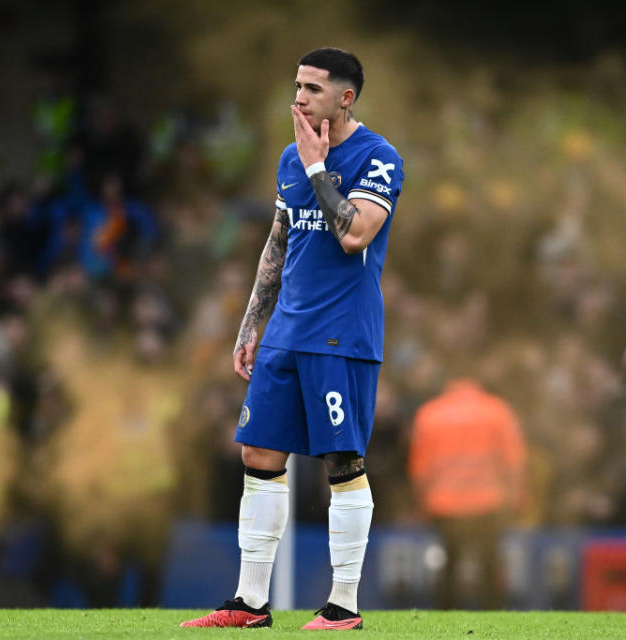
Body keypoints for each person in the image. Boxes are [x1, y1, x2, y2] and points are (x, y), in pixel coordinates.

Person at [181, 48, 404, 630]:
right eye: (296, 86)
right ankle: (250, 602)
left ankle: (344, 606)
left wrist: (317, 169)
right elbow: (279, 241)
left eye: (311, 88)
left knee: (343, 461)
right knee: (257, 453)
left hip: (341, 335)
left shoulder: (377, 157)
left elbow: (355, 234)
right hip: (286, 331)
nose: (298, 97)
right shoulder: (288, 158)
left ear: (345, 97)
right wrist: (252, 323)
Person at [408, 378, 526, 609]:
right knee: (489, 563)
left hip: (444, 503)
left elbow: (419, 468)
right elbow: (514, 461)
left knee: (449, 562)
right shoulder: (497, 410)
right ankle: (493, 615)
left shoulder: (430, 414)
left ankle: (444, 616)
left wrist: (421, 503)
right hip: (487, 501)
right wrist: (517, 497)